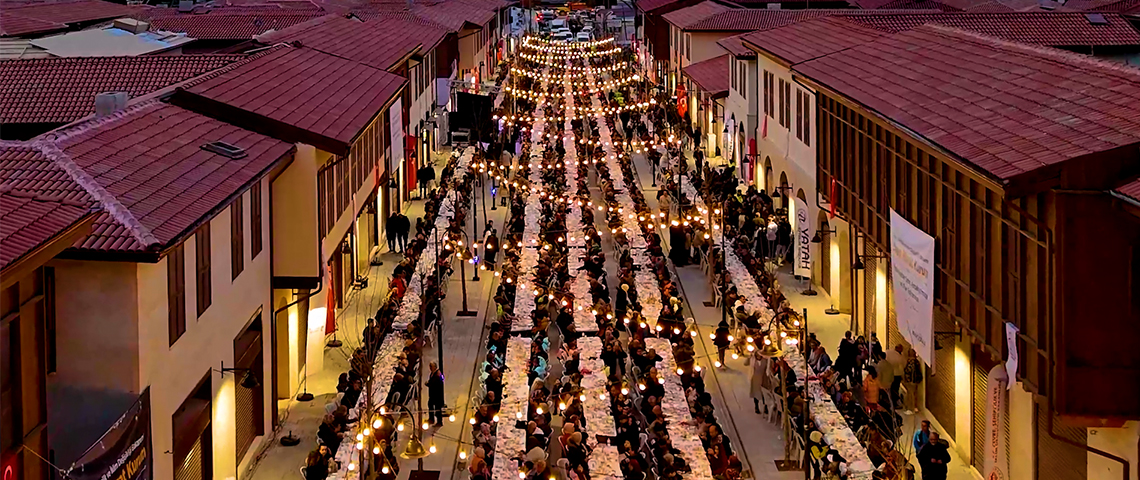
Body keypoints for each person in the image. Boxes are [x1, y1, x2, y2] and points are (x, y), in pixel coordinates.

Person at [902, 349, 922, 414]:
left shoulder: (912, 363)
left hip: (911, 381)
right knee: (913, 394)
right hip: (914, 381)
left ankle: (911, 408)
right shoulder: (916, 362)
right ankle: (914, 407)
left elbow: (912, 372)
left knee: (910, 395)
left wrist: (910, 381)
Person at [426, 361, 445, 426]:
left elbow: (435, 384)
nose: (430, 368)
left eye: (431, 366)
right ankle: (431, 419)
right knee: (430, 405)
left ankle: (439, 422)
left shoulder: (437, 374)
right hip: (433, 395)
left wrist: (428, 384)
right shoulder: (433, 373)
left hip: (436, 395)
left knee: (437, 408)